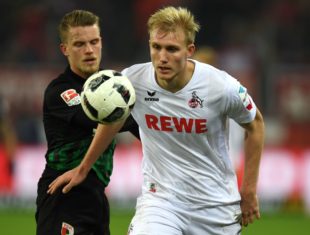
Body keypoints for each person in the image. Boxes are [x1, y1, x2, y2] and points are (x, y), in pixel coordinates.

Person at [48, 6, 265, 235]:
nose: (162, 58)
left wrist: (249, 190)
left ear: (189, 50)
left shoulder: (221, 87)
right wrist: (83, 168)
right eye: (156, 47)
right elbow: (113, 121)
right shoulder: (132, 81)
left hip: (215, 206)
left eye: (171, 49)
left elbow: (255, 125)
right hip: (161, 202)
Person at [36, 10, 139, 235]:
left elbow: (144, 130)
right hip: (63, 192)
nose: (89, 50)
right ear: (65, 49)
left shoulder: (113, 87)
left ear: (101, 42)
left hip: (97, 197)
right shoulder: (60, 91)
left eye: (94, 42)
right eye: (79, 44)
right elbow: (98, 118)